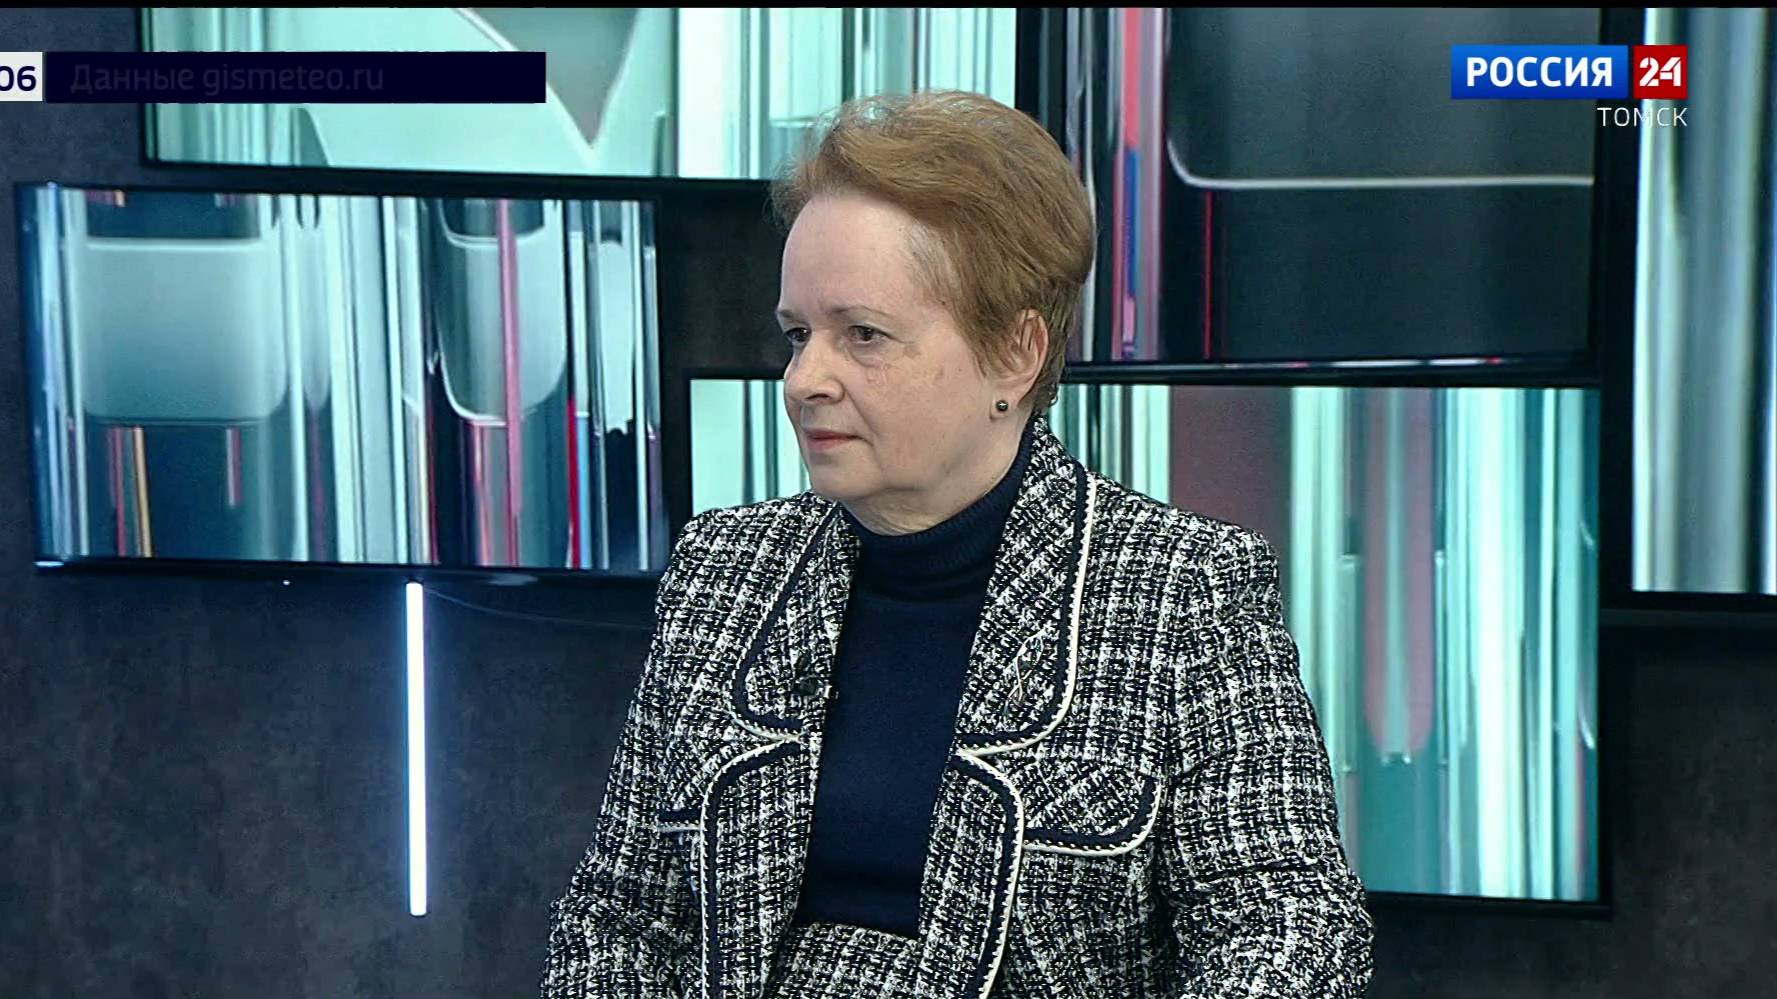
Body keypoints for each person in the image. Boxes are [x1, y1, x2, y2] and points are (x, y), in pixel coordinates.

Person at [542, 90, 1374, 998]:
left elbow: (1292, 926)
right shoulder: (723, 569)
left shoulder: (1182, 588)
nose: (804, 379)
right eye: (798, 335)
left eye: (863, 335)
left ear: (1015, 353)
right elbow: (619, 916)